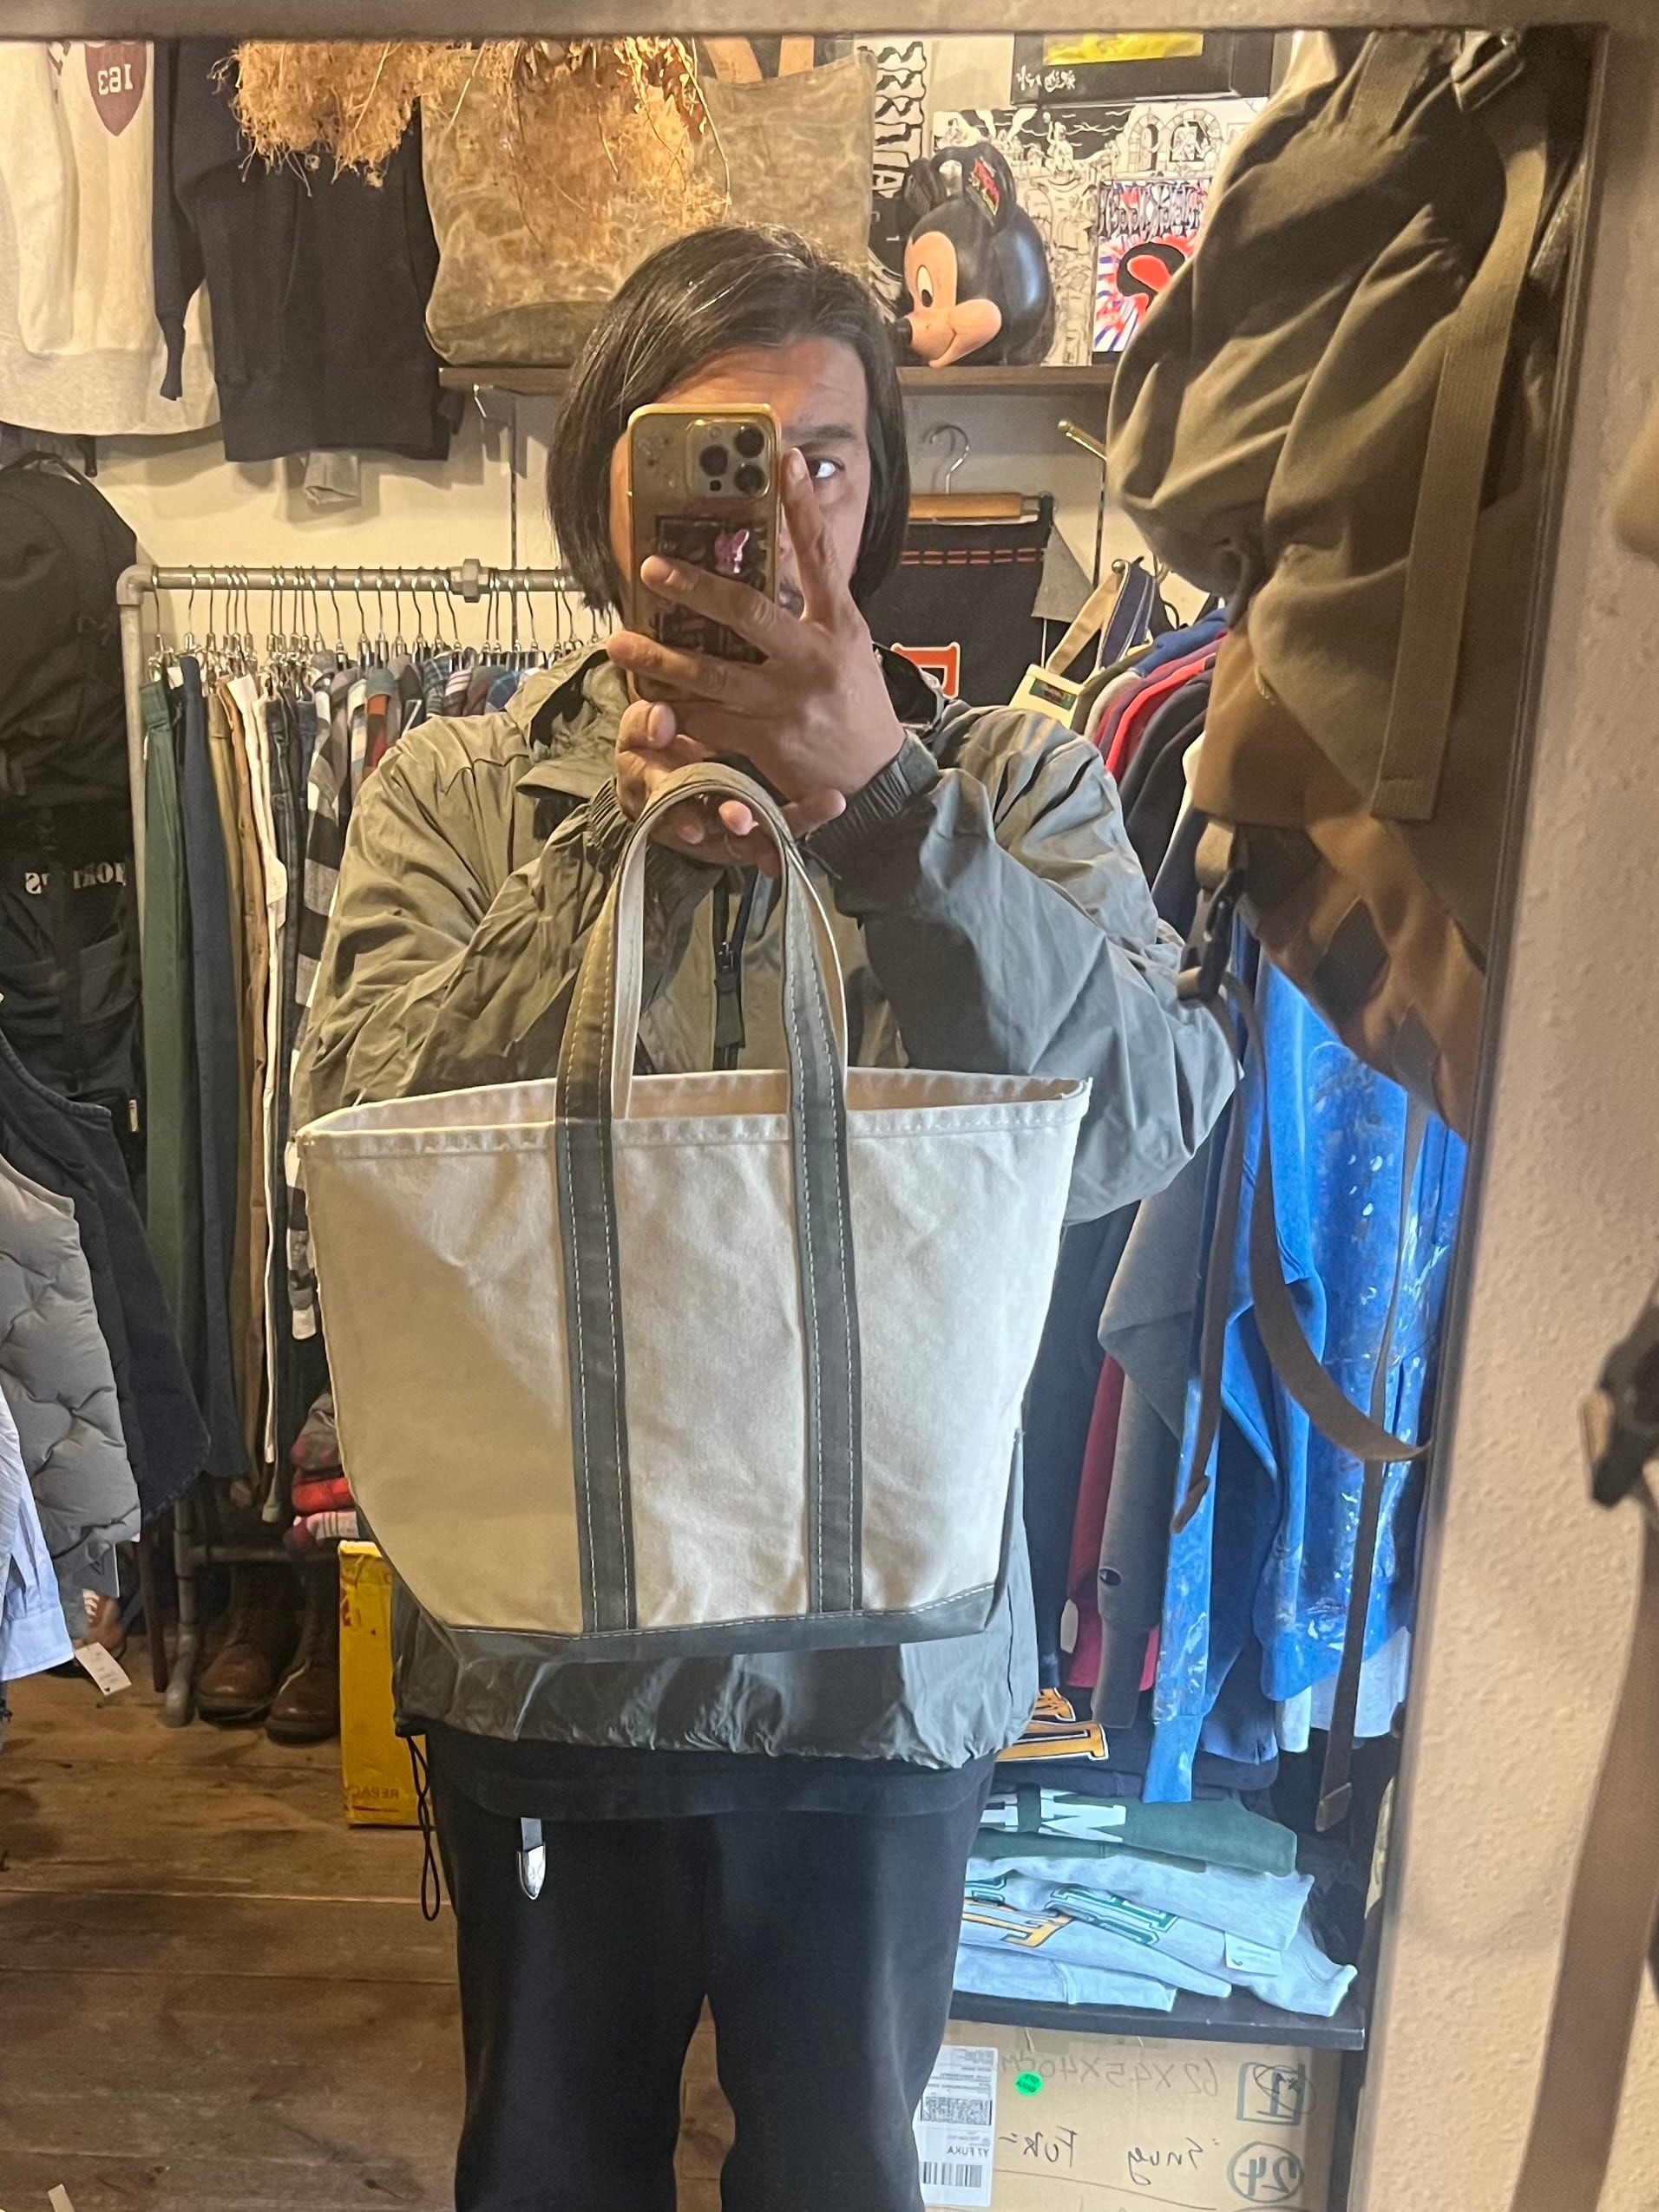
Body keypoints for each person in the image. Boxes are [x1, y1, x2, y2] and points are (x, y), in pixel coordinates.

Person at [296, 226, 1235, 2212]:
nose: (781, 505)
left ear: (878, 487)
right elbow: (358, 1142)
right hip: (548, 1655)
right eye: (723, 458)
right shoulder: (458, 793)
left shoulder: (1007, 785)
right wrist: (608, 841)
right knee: (545, 2174)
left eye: (826, 455)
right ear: (608, 493)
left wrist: (882, 811)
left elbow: (1141, 1128)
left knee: (840, 2177)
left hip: (875, 1675)